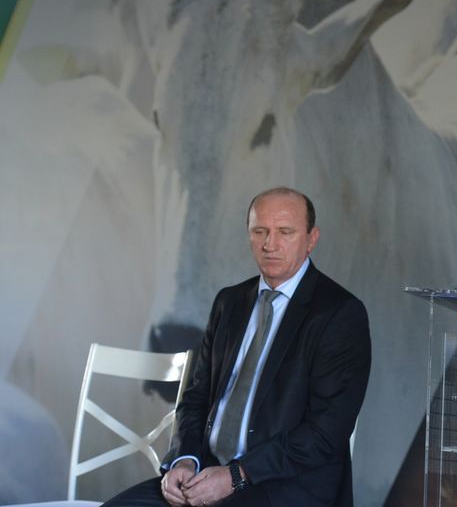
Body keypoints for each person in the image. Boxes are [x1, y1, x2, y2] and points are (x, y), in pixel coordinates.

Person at [104, 187, 371, 507]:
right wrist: (184, 459)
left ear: (311, 239)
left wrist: (237, 474)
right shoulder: (229, 302)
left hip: (283, 486)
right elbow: (196, 396)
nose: (270, 244)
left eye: (285, 232)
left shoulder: (339, 314)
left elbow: (326, 433)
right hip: (205, 471)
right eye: (260, 231)